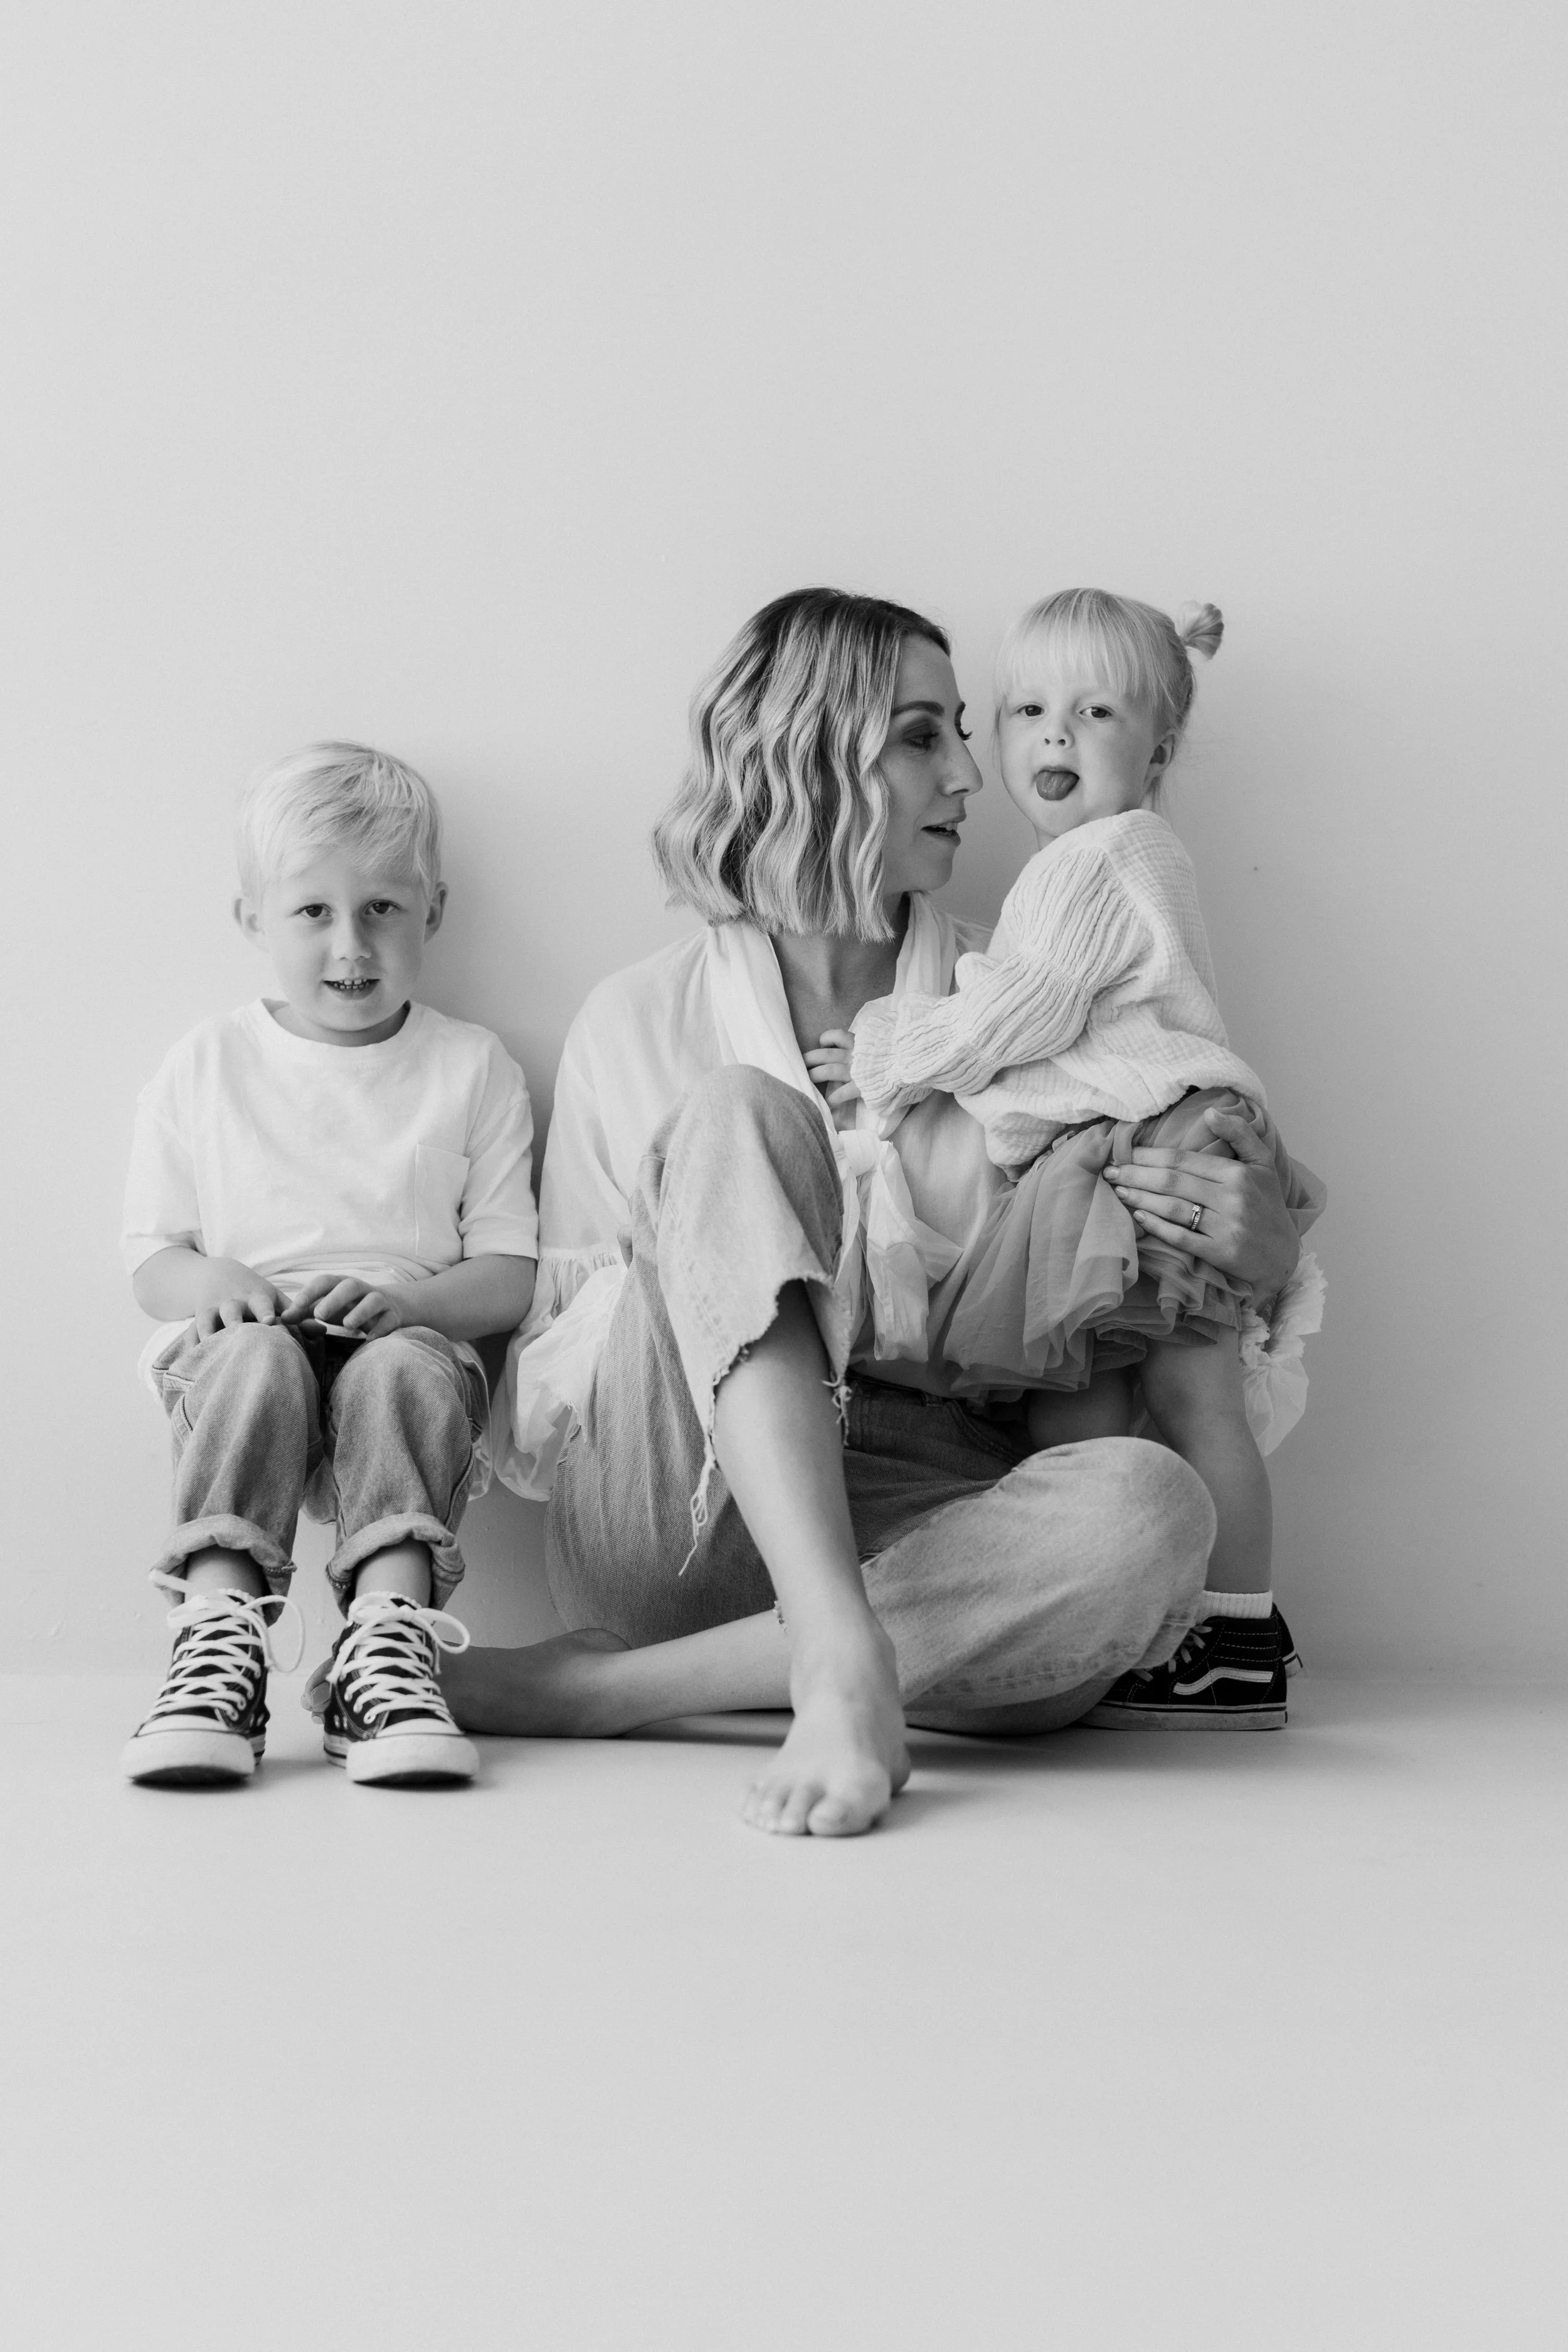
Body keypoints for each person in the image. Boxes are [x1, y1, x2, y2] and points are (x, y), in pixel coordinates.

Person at [447, 590, 1307, 1835]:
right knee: (741, 1114)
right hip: (681, 1516)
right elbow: (536, 1429)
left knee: (1151, 1509)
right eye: (921, 737)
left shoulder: (1017, 1008)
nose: (972, 771)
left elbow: (1106, 1326)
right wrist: (715, 1245)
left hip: (937, 1526)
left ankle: (625, 1690)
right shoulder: (640, 1020)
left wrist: (1252, 1263)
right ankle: (847, 1655)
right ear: (807, 755)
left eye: (964, 730)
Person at [829, 590, 1326, 1729]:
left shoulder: (1096, 859)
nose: (1054, 736)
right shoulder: (1105, 860)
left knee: (1189, 1397)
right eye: (1027, 710)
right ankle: (1157, 1626)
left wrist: (888, 1049)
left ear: (1157, 747)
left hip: (1144, 1148)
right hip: (1114, 1150)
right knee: (1080, 1412)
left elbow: (1027, 1016)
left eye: (1094, 711)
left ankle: (1238, 1633)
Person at [120, 742, 538, 1790]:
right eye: (313, 911)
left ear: (432, 910)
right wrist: (215, 1286)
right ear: (252, 917)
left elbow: (508, 1274)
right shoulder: (206, 1063)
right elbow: (150, 1261)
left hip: (402, 1348)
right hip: (240, 1359)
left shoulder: (471, 1066)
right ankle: (216, 1649)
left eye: (384, 909)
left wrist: (406, 1306)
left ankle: (383, 1653)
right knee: (257, 1359)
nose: (351, 944)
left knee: (408, 1370)